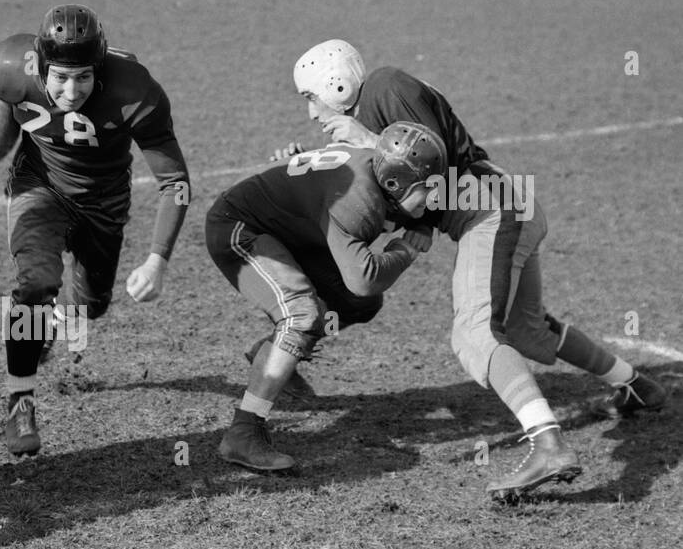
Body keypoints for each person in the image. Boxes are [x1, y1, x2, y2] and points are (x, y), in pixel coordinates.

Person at [279, 39, 667, 500]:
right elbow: (406, 195)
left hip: (490, 209)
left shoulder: (384, 86)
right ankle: (635, 384)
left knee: (474, 334)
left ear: (335, 83)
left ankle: (548, 445)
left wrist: (367, 145)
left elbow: (435, 169)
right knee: (527, 331)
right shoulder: (377, 105)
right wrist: (310, 166)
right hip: (505, 206)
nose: (312, 112)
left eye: (310, 97)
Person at [0, 4, 192, 455]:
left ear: (99, 70)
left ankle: (54, 324)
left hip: (104, 201)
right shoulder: (6, 64)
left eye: (83, 77)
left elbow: (174, 184)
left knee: (89, 308)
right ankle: (20, 400)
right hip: (38, 185)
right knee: (36, 282)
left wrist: (158, 258)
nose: (71, 89)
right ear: (40, 65)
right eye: (60, 77)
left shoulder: (135, 90)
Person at [207, 122, 446, 470]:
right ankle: (243, 433)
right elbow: (365, 277)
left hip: (291, 233)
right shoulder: (358, 198)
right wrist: (405, 251)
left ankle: (272, 351)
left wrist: (422, 221)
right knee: (301, 316)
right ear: (395, 184)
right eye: (430, 188)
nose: (437, 196)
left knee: (358, 304)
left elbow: (362, 289)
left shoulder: (383, 175)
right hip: (240, 227)